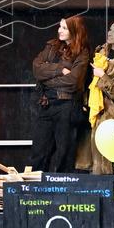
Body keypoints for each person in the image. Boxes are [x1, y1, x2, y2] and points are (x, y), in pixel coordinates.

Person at [30, 16, 90, 173]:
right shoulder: (52, 46)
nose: (59, 30)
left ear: (74, 30)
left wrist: (47, 79)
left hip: (66, 105)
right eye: (59, 26)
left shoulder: (82, 52)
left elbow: (73, 82)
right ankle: (36, 190)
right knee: (39, 152)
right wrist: (59, 70)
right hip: (46, 104)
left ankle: (62, 192)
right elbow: (37, 69)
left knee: (64, 154)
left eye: (64, 28)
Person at [81, 19, 114, 173]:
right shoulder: (100, 51)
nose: (110, 33)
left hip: (108, 110)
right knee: (90, 154)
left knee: (104, 156)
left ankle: (105, 187)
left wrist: (102, 75)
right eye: (110, 29)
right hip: (92, 106)